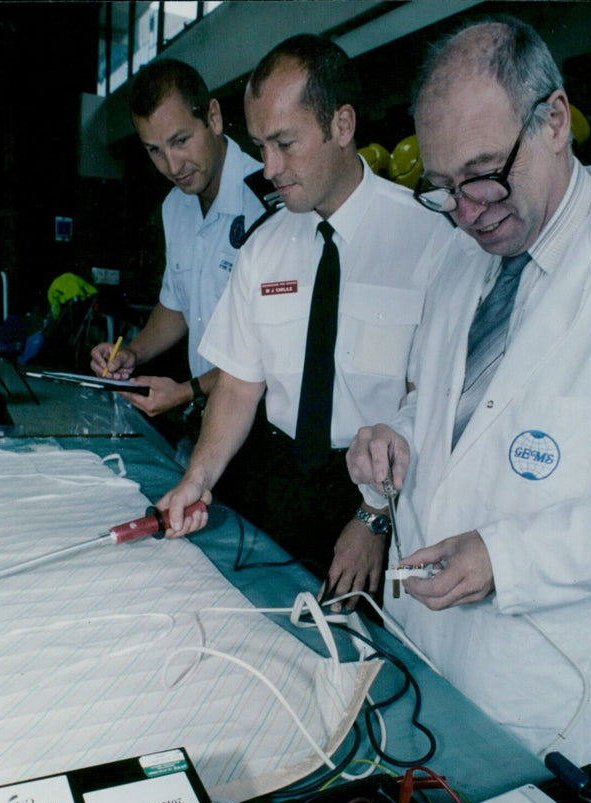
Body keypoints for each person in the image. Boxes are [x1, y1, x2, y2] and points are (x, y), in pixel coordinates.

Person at [346, 16, 591, 771]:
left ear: (554, 119)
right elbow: (454, 408)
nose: (468, 212)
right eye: (444, 190)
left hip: (548, 688)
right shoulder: (459, 262)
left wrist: (507, 558)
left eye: (482, 174)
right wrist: (400, 436)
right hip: (424, 648)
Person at [157, 34, 451, 599]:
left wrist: (374, 518)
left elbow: (432, 399)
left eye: (285, 143)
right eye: (260, 144)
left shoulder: (429, 241)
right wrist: (197, 481)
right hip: (274, 477)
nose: (269, 167)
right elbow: (241, 385)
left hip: (377, 496)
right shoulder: (264, 247)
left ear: (342, 126)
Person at [90, 59, 266, 421]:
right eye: (154, 150)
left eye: (181, 141)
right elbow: (176, 307)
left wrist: (187, 391)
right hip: (206, 415)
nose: (172, 166)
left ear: (213, 118)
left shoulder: (266, 201)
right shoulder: (175, 206)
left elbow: (273, 349)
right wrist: (132, 353)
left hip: (260, 421)